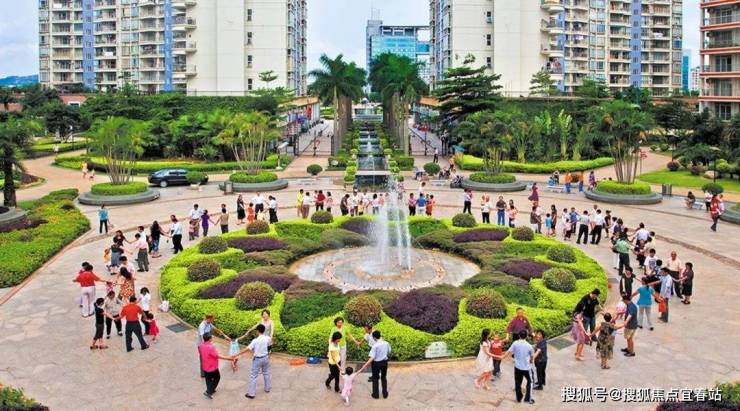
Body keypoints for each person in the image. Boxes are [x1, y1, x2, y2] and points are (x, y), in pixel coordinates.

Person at [233, 324, 272, 399]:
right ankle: (267, 388)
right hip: (265, 357)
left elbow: (247, 349)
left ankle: (251, 394)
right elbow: (269, 346)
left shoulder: (255, 340)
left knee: (254, 376)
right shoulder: (268, 338)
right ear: (264, 330)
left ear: (258, 331)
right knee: (266, 373)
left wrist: (236, 354)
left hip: (257, 359)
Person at [502, 330, 535, 404]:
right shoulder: (529, 346)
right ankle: (528, 399)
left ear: (519, 336)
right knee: (530, 381)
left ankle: (519, 398)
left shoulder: (515, 343)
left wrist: (502, 357)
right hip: (526, 368)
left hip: (517, 367)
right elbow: (532, 356)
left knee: (517, 383)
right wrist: (531, 360)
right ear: (526, 336)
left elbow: (509, 351)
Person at [357, 330, 391, 399]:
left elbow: (372, 358)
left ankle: (376, 394)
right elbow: (389, 351)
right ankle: (385, 394)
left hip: (376, 363)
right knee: (383, 377)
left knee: (375, 378)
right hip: (384, 362)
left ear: (374, 338)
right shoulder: (386, 343)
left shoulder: (375, 346)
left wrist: (365, 365)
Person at [199, 333, 232, 399]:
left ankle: (211, 389)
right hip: (212, 366)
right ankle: (209, 391)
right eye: (211, 337)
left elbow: (201, 353)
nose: (212, 338)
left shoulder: (201, 345)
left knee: (208, 379)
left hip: (205, 366)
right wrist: (228, 358)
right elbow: (217, 356)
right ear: (209, 339)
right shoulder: (211, 347)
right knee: (217, 378)